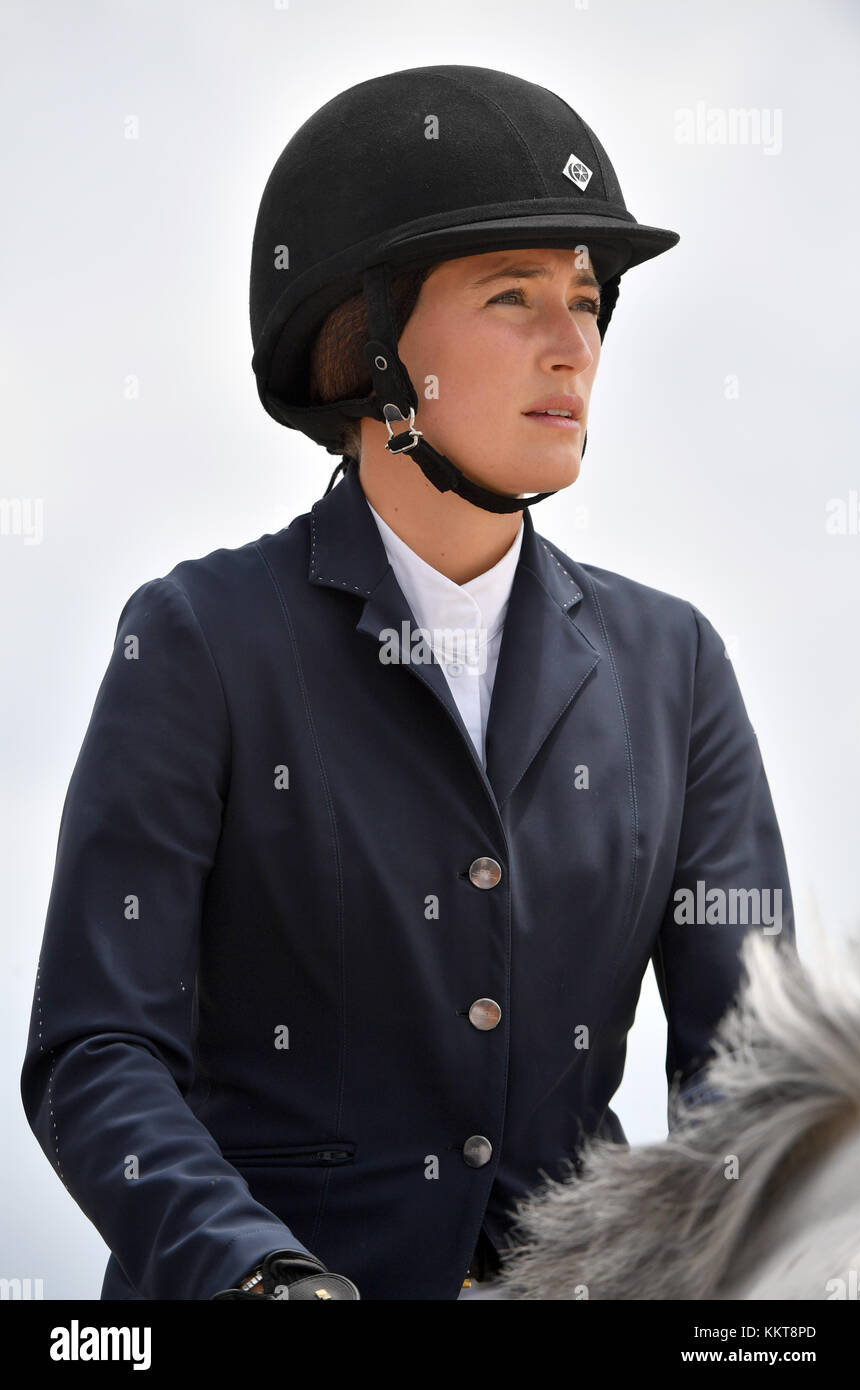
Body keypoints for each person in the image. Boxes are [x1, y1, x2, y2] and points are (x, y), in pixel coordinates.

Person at [20, 64, 796, 1302]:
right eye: (512, 296)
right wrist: (261, 1276)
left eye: (587, 304)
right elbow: (94, 1052)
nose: (573, 344)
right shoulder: (195, 639)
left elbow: (749, 1082)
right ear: (369, 345)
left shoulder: (678, 667)